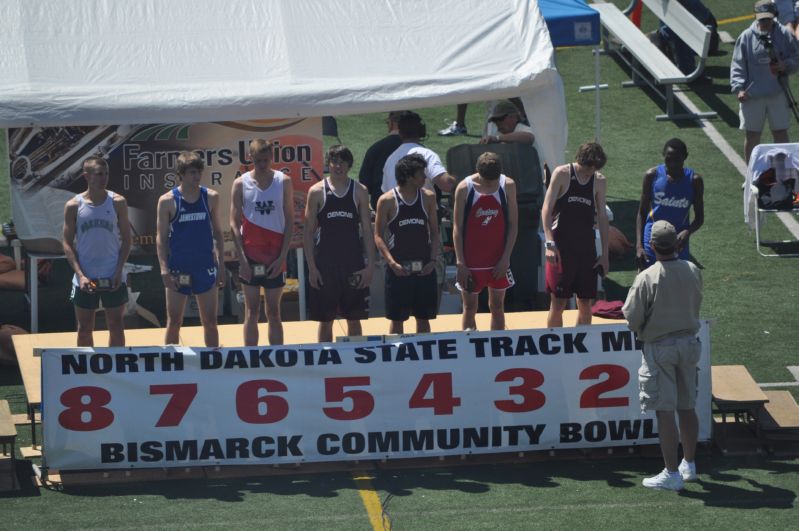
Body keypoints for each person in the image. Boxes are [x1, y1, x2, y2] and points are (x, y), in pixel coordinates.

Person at [623, 220, 703, 491]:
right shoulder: (692, 269)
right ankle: (689, 464)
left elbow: (632, 318)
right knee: (687, 406)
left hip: (661, 347)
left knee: (665, 411)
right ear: (677, 244)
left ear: (652, 246)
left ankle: (671, 472)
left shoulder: (647, 277)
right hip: (690, 344)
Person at [303, 145, 376, 342]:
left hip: (352, 265)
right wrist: (311, 268)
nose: (338, 166)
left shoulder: (360, 191)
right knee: (325, 320)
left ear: (349, 165)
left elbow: (368, 231)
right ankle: (324, 364)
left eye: (342, 162)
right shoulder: (317, 191)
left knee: (354, 318)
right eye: (334, 162)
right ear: (328, 163)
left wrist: (370, 266)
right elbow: (308, 233)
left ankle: (356, 358)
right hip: (325, 266)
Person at [156, 151, 225, 347]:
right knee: (174, 322)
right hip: (179, 269)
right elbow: (160, 238)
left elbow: (218, 233)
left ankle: (213, 365)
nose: (197, 177)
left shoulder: (210, 197)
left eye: (199, 172)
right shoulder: (168, 200)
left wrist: (221, 266)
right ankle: (171, 365)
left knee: (211, 322)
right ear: (182, 174)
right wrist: (164, 270)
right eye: (193, 172)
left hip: (205, 266)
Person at [230, 139, 294, 346]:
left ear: (272, 158)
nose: (262, 165)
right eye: (258, 161)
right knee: (252, 311)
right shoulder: (240, 184)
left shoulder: (283, 181)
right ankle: (251, 359)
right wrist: (242, 259)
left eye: (266, 160)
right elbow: (233, 222)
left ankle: (277, 356)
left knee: (274, 312)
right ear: (250, 158)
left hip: (276, 256)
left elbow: (290, 220)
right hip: (250, 256)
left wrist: (283, 256)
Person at [63, 156, 132, 347]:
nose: (104, 178)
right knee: (84, 328)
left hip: (112, 273)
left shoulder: (118, 202)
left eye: (106, 174)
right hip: (86, 275)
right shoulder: (73, 206)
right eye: (99, 174)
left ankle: (117, 371)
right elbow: (67, 244)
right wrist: (80, 275)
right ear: (87, 176)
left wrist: (118, 271)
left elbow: (127, 240)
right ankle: (86, 373)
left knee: (116, 325)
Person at [541, 142, 609, 328]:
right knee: (558, 303)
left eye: (594, 169)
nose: (590, 173)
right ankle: (554, 349)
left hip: (585, 250)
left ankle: (582, 347)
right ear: (580, 160)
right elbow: (546, 209)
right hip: (561, 249)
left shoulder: (599, 180)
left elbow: (602, 217)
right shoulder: (562, 174)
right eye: (588, 168)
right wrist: (549, 242)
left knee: (586, 303)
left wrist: (605, 255)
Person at [374, 154, 440, 334]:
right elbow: (378, 236)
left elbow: (435, 232)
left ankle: (425, 360)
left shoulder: (428, 197)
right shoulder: (387, 200)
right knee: (397, 321)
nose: (425, 177)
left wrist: (433, 261)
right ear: (409, 177)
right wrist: (391, 263)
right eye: (421, 174)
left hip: (424, 268)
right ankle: (397, 361)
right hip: (398, 270)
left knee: (424, 320)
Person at [452, 152, 518, 331]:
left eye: (493, 181)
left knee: (497, 306)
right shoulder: (464, 188)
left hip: (497, 259)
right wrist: (460, 262)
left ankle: (498, 348)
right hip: (471, 261)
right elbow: (457, 228)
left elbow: (513, 225)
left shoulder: (508, 185)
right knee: (469, 307)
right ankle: (469, 350)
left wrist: (506, 258)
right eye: (487, 181)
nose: (491, 185)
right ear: (478, 172)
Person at [731, 0, 799, 164]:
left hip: (778, 92)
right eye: (761, 19)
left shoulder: (784, 34)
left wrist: (786, 65)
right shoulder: (746, 37)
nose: (764, 23)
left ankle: (783, 173)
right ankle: (750, 174)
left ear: (774, 16)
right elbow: (737, 64)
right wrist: (739, 88)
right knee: (753, 135)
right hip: (752, 96)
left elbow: (796, 57)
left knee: (780, 133)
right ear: (756, 17)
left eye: (767, 19)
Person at [635, 138, 704, 270]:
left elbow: (700, 218)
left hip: (678, 241)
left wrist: (687, 232)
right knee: (648, 281)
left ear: (685, 157)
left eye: (677, 159)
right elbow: (642, 212)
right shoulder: (652, 176)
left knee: (678, 283)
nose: (672, 164)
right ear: (663, 154)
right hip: (652, 237)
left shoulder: (695, 181)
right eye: (668, 159)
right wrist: (639, 246)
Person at [381, 111, 456, 194]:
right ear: (422, 131)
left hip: (396, 206)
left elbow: (386, 192)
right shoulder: (427, 155)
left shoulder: (390, 159)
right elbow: (447, 185)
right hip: (421, 206)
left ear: (400, 133)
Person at [359, 111, 404, 209]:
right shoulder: (418, 149)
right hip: (412, 203)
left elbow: (364, 182)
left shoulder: (375, 148)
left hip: (381, 203)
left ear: (391, 123)